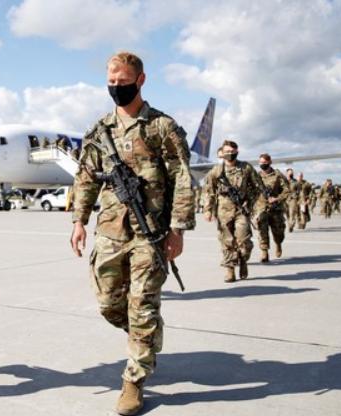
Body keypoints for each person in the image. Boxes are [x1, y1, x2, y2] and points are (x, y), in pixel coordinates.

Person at [70, 51, 195, 416]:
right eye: (111, 82)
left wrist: (178, 229)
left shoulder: (162, 127)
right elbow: (86, 178)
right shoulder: (99, 131)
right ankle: (147, 333)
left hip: (150, 231)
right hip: (110, 230)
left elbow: (182, 179)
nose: (116, 87)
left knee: (141, 305)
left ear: (140, 81)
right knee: (110, 304)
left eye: (123, 82)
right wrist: (78, 221)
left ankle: (134, 380)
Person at [203, 140, 266, 282]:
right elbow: (208, 191)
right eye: (227, 152)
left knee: (244, 241)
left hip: (241, 210)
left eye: (232, 152)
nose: (230, 154)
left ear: (237, 152)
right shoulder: (216, 171)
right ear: (222, 153)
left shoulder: (246, 168)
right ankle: (230, 270)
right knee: (227, 241)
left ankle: (243, 259)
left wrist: (253, 204)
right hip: (223, 211)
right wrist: (208, 209)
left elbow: (258, 188)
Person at [255, 154, 289, 262]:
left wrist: (277, 198)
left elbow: (287, 190)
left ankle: (278, 243)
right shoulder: (256, 176)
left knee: (278, 232)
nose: (262, 164)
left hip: (276, 208)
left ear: (270, 162)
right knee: (262, 230)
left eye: (264, 162)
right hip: (262, 207)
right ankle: (264, 252)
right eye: (260, 162)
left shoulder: (278, 175)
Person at [285, 168, 301, 232]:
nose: (291, 174)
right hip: (285, 199)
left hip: (293, 199)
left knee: (292, 213)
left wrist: (296, 196)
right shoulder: (283, 181)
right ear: (286, 173)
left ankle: (291, 225)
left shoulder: (295, 182)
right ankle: (289, 224)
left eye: (292, 173)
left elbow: (299, 190)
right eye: (290, 173)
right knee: (287, 214)